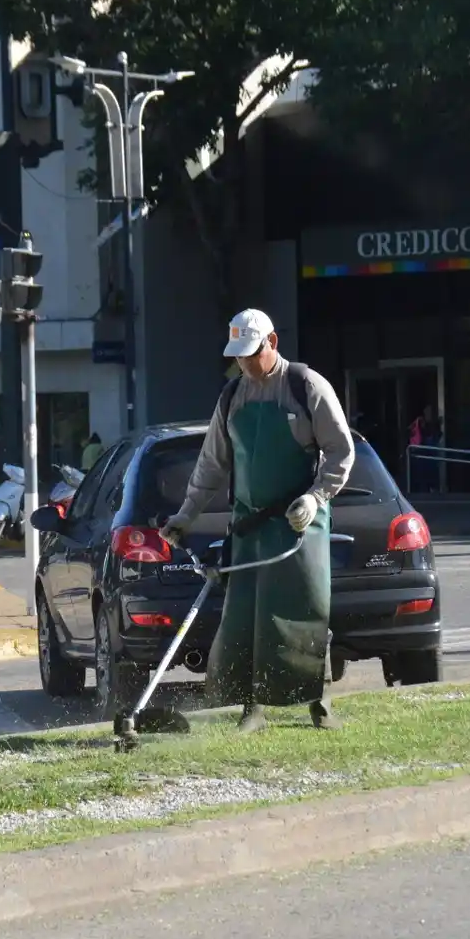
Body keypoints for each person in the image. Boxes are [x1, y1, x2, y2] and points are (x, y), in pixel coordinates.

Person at [161, 308, 356, 732]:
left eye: (252, 353)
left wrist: (316, 496)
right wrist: (186, 515)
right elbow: (212, 464)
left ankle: (317, 702)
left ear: (273, 343)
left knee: (303, 608)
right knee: (246, 615)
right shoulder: (232, 397)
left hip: (299, 521)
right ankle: (252, 707)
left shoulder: (307, 387)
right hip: (249, 524)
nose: (245, 364)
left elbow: (341, 451)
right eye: (239, 356)